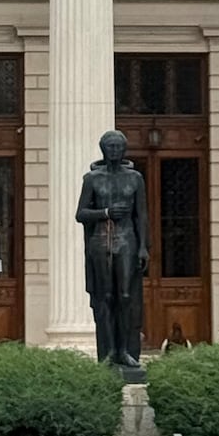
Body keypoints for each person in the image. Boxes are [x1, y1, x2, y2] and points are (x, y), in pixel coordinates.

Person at [76, 130, 149, 370]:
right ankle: (107, 353)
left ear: (124, 149)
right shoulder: (92, 179)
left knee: (126, 296)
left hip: (127, 240)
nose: (115, 151)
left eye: (119, 147)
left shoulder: (135, 178)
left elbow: (141, 216)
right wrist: (105, 213)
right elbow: (81, 214)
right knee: (105, 297)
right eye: (110, 147)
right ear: (103, 149)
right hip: (101, 241)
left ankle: (125, 350)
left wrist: (143, 248)